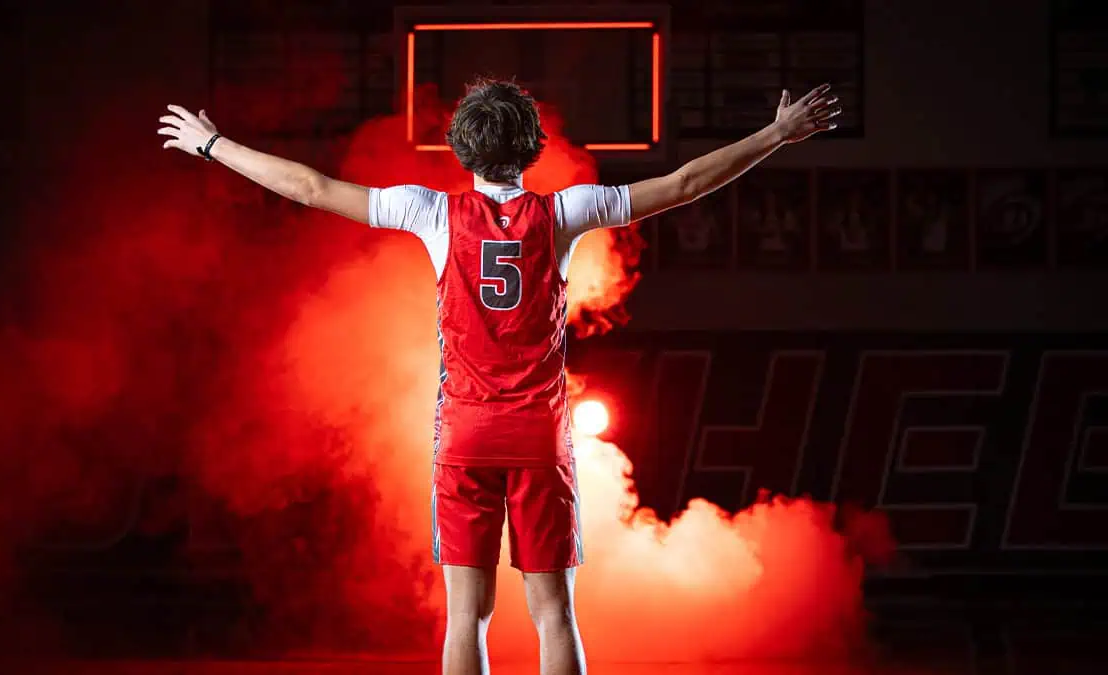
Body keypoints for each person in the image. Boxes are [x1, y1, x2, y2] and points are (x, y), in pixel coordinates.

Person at [158, 79, 840, 675]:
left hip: (464, 436)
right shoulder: (565, 213)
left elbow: (308, 186)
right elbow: (687, 183)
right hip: (538, 438)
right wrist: (776, 134)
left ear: (461, 148)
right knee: (553, 615)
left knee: (466, 617)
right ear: (533, 147)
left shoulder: (429, 213)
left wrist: (213, 146)